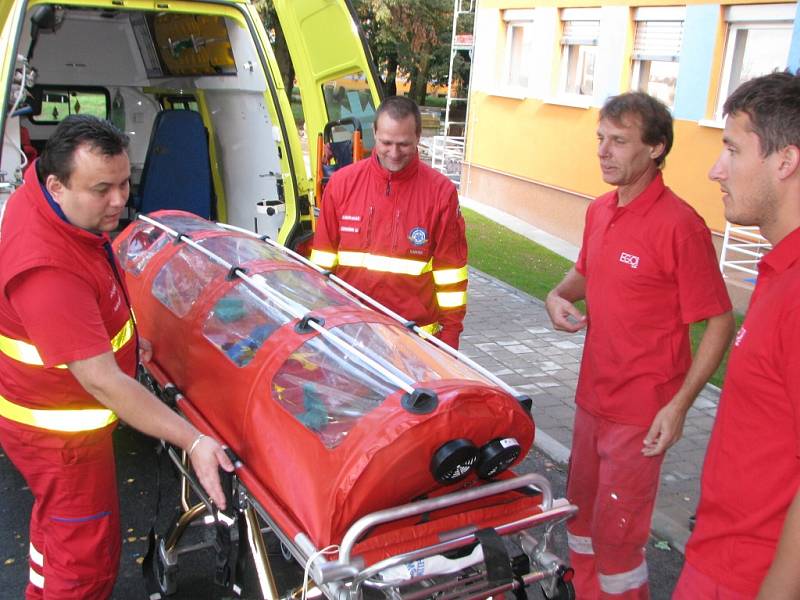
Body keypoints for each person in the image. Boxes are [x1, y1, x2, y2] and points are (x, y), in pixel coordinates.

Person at [0, 115, 234, 599]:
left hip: (47, 420)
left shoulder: (46, 204)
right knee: (84, 559)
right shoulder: (46, 268)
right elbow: (103, 382)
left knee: (56, 532)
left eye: (125, 183)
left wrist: (127, 342)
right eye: (102, 189)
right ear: (57, 185)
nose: (119, 201)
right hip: (62, 438)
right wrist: (193, 441)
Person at [545, 92, 734, 599]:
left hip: (641, 416)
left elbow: (719, 321)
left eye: (619, 141)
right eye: (601, 139)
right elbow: (584, 272)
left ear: (656, 149)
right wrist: (558, 294)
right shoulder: (600, 210)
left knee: (618, 544)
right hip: (590, 401)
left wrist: (678, 408)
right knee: (580, 525)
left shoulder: (680, 226)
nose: (604, 152)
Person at [673, 72, 800, 600]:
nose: (715, 169)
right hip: (720, 555)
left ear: (785, 161)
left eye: (731, 149)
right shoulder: (779, 273)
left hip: (744, 577)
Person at [310, 96, 468, 349]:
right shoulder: (341, 184)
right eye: (386, 143)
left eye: (404, 144)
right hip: (350, 338)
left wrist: (449, 341)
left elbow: (451, 276)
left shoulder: (441, 193)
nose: (394, 153)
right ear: (374, 133)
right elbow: (321, 266)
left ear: (418, 138)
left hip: (414, 343)